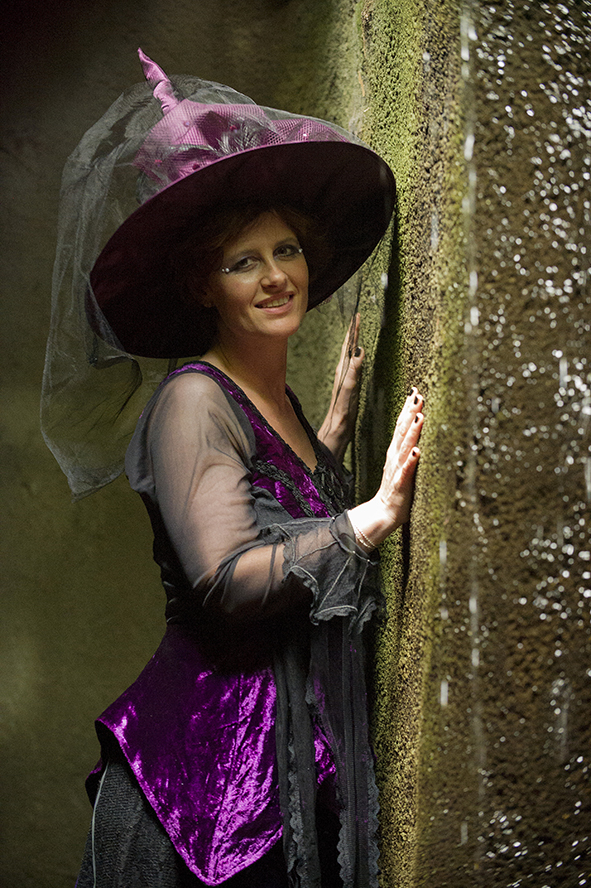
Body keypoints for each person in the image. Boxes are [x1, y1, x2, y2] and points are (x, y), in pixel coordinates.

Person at [42, 52, 423, 888]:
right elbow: (227, 577)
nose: (276, 275)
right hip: (203, 793)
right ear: (202, 286)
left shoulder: (268, 399)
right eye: (242, 261)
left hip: (278, 770)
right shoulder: (192, 400)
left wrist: (327, 438)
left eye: (285, 249)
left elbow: (264, 499)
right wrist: (369, 517)